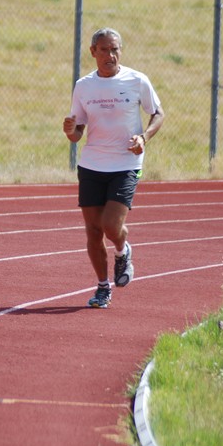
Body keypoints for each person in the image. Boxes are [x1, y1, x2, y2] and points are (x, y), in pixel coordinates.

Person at [63, 27, 165, 308]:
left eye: (116, 49)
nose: (111, 54)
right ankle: (102, 287)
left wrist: (143, 137)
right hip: (92, 164)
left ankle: (123, 249)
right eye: (105, 49)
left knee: (110, 225)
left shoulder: (137, 80)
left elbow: (158, 113)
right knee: (93, 232)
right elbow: (77, 132)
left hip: (126, 163)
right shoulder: (83, 86)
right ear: (93, 52)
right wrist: (70, 131)